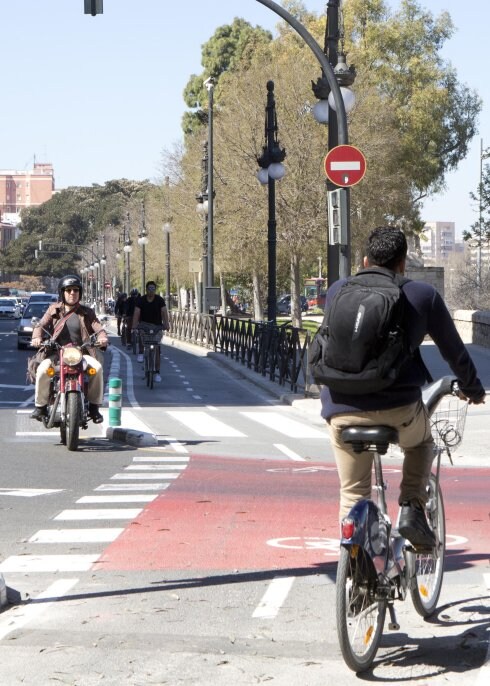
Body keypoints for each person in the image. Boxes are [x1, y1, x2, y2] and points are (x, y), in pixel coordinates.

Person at [322, 226, 486, 548]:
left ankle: (355, 566)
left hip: (340, 410)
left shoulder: (338, 290)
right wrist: (474, 389)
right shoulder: (422, 296)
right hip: (399, 410)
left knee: (353, 493)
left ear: (365, 260)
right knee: (422, 443)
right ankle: (412, 507)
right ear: (402, 265)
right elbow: (454, 352)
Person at [30, 274, 109, 424]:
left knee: (97, 368)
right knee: (42, 370)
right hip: (57, 353)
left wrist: (102, 337)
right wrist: (36, 337)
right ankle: (40, 407)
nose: (72, 293)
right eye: (69, 290)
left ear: (80, 292)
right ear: (62, 292)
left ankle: (94, 407)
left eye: (76, 290)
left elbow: (98, 327)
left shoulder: (87, 312)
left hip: (81, 353)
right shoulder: (53, 310)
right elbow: (40, 325)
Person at [132, 280, 169, 383]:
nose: (151, 291)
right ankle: (141, 352)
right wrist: (134, 326)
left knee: (156, 348)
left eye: (153, 289)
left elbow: (164, 312)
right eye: (149, 289)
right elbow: (136, 313)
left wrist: (166, 324)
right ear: (146, 290)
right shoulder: (141, 300)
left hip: (157, 326)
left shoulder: (160, 300)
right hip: (144, 324)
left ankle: (157, 372)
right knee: (142, 335)